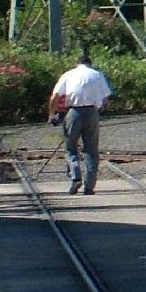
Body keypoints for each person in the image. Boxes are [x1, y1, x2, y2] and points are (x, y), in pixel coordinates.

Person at [48, 51, 113, 195]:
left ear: (76, 64)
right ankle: (89, 186)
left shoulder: (69, 74)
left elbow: (55, 97)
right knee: (91, 150)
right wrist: (100, 108)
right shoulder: (97, 74)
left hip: (74, 112)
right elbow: (105, 99)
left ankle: (75, 175)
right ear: (89, 64)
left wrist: (52, 115)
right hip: (92, 112)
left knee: (70, 147)